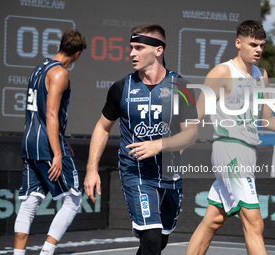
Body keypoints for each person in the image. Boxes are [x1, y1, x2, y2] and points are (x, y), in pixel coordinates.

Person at [185, 20, 275, 255]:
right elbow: (197, 114)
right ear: (238, 43)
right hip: (229, 151)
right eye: (253, 44)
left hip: (248, 153)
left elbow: (268, 120)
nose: (259, 50)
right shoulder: (222, 72)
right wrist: (180, 140)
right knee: (255, 224)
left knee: (212, 221)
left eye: (262, 45)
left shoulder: (261, 75)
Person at [84, 24, 198, 255]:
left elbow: (191, 134)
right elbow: (102, 127)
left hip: (170, 175)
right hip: (136, 173)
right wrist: (91, 169)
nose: (131, 53)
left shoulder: (180, 85)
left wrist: (160, 144)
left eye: (138, 48)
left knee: (159, 241)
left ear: (158, 50)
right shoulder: (121, 88)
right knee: (152, 238)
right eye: (131, 48)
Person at [14, 29, 87, 255]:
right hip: (46, 145)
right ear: (76, 54)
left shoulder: (39, 68)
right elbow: (51, 114)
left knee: (30, 202)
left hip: (29, 143)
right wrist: (57, 152)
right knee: (73, 199)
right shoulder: (59, 73)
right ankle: (47, 252)